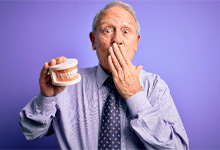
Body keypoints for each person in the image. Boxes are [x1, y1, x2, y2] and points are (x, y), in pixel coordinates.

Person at [19, 1, 189, 150]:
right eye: (107, 30)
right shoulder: (66, 84)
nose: (117, 40)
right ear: (93, 41)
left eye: (126, 31)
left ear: (136, 42)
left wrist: (135, 95)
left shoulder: (154, 86)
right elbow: (31, 132)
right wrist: (46, 97)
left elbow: (177, 148)